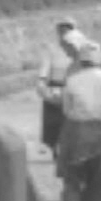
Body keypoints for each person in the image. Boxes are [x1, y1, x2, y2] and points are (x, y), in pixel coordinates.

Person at [54, 37, 101, 201]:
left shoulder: (72, 80)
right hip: (98, 132)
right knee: (97, 178)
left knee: (72, 175)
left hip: (74, 131)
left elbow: (66, 110)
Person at [36, 17, 81, 154]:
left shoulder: (78, 48)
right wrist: (41, 80)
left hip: (71, 85)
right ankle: (55, 146)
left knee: (69, 118)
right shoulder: (52, 48)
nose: (62, 33)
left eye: (66, 30)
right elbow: (45, 65)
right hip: (55, 85)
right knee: (53, 121)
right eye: (60, 31)